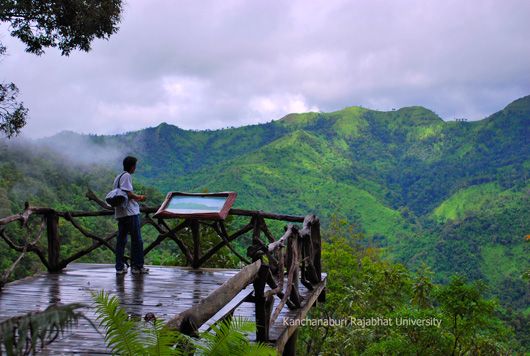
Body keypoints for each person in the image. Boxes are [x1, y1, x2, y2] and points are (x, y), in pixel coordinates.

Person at [113, 156, 149, 275]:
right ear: (132, 166)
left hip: (120, 213)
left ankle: (119, 267)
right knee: (137, 240)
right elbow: (128, 193)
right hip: (130, 213)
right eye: (135, 166)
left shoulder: (118, 177)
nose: (135, 168)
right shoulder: (127, 176)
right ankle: (137, 266)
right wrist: (140, 197)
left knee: (121, 240)